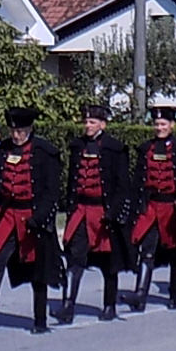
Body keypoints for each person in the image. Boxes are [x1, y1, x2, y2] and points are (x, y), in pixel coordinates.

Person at [0, 105, 62, 335]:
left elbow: (51, 192)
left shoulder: (44, 153)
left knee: (37, 269)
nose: (16, 136)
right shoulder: (3, 151)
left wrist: (41, 217)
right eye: (13, 131)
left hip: (33, 217)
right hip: (8, 216)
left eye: (21, 131)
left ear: (30, 129)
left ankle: (40, 320)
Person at [59, 103, 133, 323]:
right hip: (81, 210)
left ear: (103, 124)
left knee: (108, 260)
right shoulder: (77, 146)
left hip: (103, 212)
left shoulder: (115, 149)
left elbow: (122, 185)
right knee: (75, 257)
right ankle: (68, 306)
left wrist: (114, 211)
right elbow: (73, 178)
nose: (87, 126)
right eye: (86, 122)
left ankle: (109, 305)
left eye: (92, 122)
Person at [127, 108, 176, 311]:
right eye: (156, 124)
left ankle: (174, 295)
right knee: (147, 249)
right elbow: (138, 179)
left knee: (174, 253)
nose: (159, 128)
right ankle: (140, 294)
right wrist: (137, 203)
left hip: (173, 207)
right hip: (152, 206)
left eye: (163, 124)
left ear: (172, 125)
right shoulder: (146, 148)